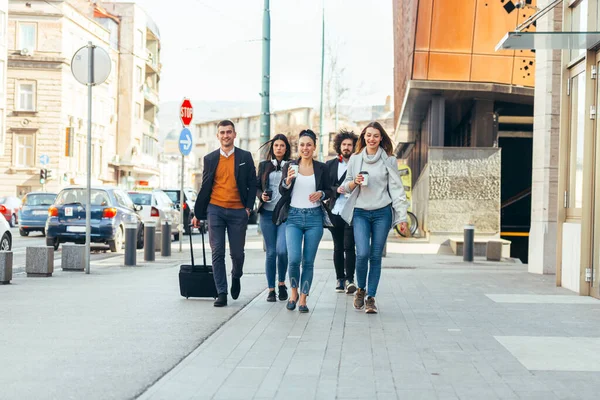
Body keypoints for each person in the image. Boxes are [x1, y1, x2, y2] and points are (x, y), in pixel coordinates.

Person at [341, 121, 409, 314]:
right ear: (363, 137)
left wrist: (401, 218)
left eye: (376, 136)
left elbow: (396, 189)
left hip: (382, 212)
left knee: (375, 256)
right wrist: (355, 182)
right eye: (368, 135)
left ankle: (371, 297)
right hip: (361, 212)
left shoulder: (389, 159)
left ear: (381, 139)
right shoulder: (355, 159)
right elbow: (346, 186)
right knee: (362, 253)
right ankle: (360, 289)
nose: (372, 139)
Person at [193, 120, 257, 307]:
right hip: (216, 209)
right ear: (218, 136)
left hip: (238, 211)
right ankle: (221, 292)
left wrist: (248, 208)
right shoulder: (210, 159)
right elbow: (205, 187)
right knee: (217, 251)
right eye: (222, 132)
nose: (225, 135)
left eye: (229, 132)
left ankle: (236, 275)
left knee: (237, 254)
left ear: (234, 135)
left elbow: (252, 184)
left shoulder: (245, 156)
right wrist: (198, 212)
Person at [273, 129, 332, 313]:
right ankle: (293, 293)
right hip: (294, 217)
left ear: (314, 147)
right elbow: (282, 191)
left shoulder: (322, 168)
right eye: (302, 145)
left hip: (314, 218)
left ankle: (303, 299)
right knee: (294, 259)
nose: (305, 148)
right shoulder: (290, 166)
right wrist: (288, 181)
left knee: (308, 261)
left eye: (309, 145)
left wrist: (321, 194)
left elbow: (329, 190)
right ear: (298, 147)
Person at [256, 134, 291, 302]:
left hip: (284, 213)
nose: (279, 148)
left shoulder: (292, 165)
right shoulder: (264, 166)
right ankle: (271, 289)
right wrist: (261, 196)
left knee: (282, 250)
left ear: (286, 148)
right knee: (270, 253)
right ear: (272, 148)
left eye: (282, 145)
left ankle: (282, 283)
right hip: (267, 213)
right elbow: (256, 186)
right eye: (276, 145)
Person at [325, 129, 358, 294]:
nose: (346, 147)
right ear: (339, 146)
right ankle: (340, 278)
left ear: (354, 147)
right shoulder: (330, 165)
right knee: (338, 246)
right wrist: (335, 190)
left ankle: (350, 279)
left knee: (349, 245)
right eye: (344, 144)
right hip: (335, 210)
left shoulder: (359, 164)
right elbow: (323, 187)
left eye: (350, 145)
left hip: (352, 209)